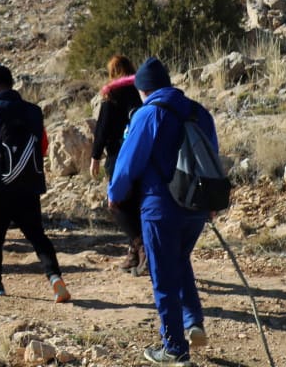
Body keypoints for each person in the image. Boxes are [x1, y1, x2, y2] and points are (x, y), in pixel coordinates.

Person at [109, 57, 212, 364]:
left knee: (163, 275)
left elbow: (128, 163)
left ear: (143, 90)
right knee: (179, 260)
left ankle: (174, 348)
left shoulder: (148, 113)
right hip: (197, 207)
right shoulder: (199, 112)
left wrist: (115, 195)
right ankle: (192, 321)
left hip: (160, 208)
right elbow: (212, 157)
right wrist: (209, 204)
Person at [0, 64, 70, 304]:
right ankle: (55, 277)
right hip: (27, 186)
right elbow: (42, 146)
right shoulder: (34, 111)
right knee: (37, 235)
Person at [91, 55, 145, 272]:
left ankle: (141, 246)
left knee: (118, 204)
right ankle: (134, 254)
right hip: (142, 155)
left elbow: (102, 129)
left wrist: (95, 157)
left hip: (118, 157)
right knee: (137, 204)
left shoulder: (111, 94)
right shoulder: (142, 91)